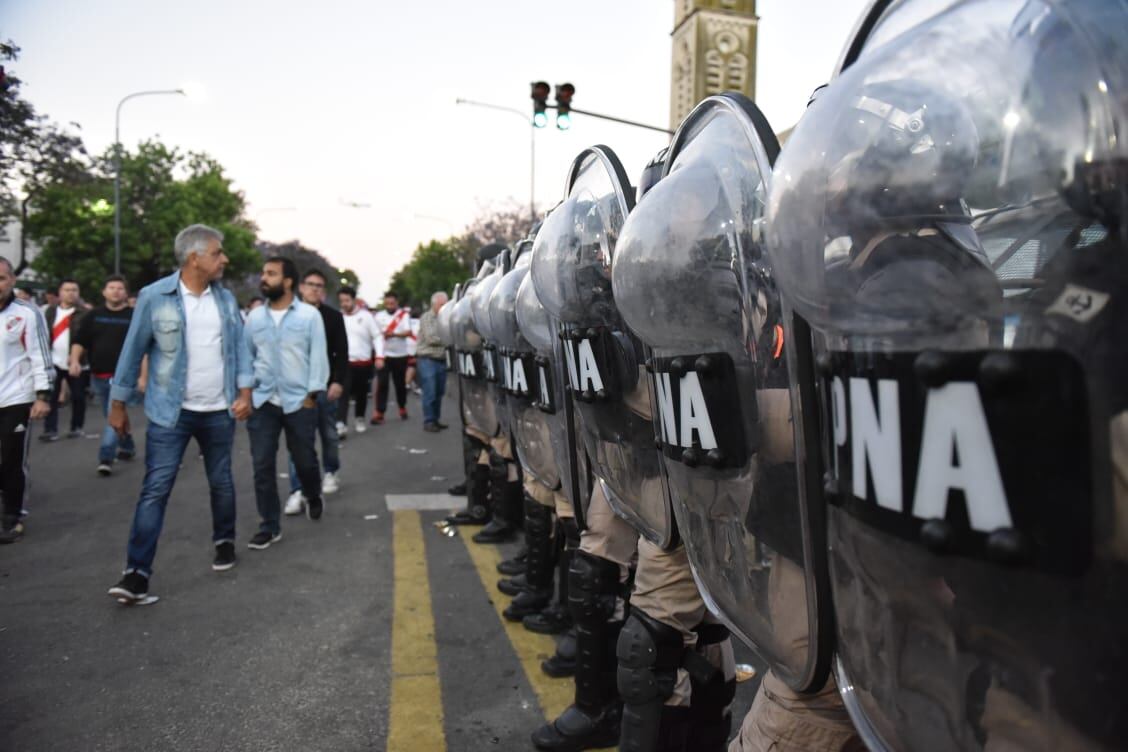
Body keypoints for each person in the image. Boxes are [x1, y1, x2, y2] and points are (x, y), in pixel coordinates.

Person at [106, 224, 253, 604]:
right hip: (170, 414)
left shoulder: (225, 300)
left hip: (218, 410)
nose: (224, 260)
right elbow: (132, 351)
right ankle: (136, 573)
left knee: (221, 481)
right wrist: (117, 405)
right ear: (194, 258)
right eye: (218, 253)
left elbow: (239, 350)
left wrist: (245, 393)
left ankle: (224, 541)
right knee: (155, 489)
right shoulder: (155, 297)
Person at [244, 256, 328, 548]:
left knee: (304, 460)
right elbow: (246, 357)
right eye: (263, 272)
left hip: (298, 401)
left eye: (271, 273)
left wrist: (311, 396)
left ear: (288, 281)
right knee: (262, 465)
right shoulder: (254, 318)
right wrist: (246, 395)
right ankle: (269, 525)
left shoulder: (308, 316)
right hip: (263, 400)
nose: (263, 278)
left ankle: (313, 492)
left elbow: (318, 357)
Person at [284, 269, 346, 515]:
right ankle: (297, 490)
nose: (315, 289)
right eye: (310, 284)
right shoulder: (289, 315)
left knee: (329, 434)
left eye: (320, 286)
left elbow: (341, 353)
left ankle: (330, 471)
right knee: (298, 442)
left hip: (324, 386)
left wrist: (338, 382)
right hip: (296, 389)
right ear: (300, 287)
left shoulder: (332, 317)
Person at [0, 257, 52, 544]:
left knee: (11, 458)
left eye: (1, 278)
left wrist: (42, 396)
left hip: (15, 397)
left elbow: (39, 356)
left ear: (12, 281)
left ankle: (12, 515)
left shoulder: (27, 314)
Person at [69, 274, 141, 476]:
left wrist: (143, 376)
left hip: (124, 378)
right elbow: (80, 341)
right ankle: (127, 446)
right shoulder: (93, 315)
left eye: (120, 288)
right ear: (104, 291)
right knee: (113, 415)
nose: (116, 291)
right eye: (111, 287)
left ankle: (106, 457)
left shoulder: (134, 316)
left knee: (112, 415)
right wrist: (74, 360)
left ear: (126, 293)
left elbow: (143, 346)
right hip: (98, 376)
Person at [41, 278, 87, 441]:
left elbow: (87, 338)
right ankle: (50, 429)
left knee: (78, 396)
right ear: (60, 293)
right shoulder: (50, 311)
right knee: (51, 396)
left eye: (74, 290)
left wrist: (77, 356)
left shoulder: (84, 313)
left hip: (76, 362)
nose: (70, 293)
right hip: (53, 360)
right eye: (67, 290)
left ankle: (76, 427)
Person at [338, 285, 379, 435]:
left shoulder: (366, 317)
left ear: (353, 300)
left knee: (361, 393)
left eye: (347, 300)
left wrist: (380, 356)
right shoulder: (338, 317)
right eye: (341, 301)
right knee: (343, 392)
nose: (344, 304)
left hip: (364, 362)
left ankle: (360, 417)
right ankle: (341, 423)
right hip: (345, 362)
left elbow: (377, 336)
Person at [371, 292, 411, 423]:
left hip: (400, 355)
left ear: (396, 303)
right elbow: (374, 333)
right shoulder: (379, 316)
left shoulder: (403, 315)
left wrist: (393, 334)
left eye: (392, 303)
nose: (389, 306)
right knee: (382, 383)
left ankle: (402, 406)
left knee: (400, 384)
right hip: (384, 355)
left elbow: (408, 332)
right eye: (387, 303)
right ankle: (379, 412)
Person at [415, 291, 448, 432]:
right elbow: (431, 338)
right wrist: (449, 338)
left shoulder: (444, 317)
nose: (444, 307)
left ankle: (435, 419)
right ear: (433, 304)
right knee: (430, 391)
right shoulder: (427, 317)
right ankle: (429, 420)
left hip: (440, 359)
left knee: (439, 392)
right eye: (441, 304)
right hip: (427, 359)